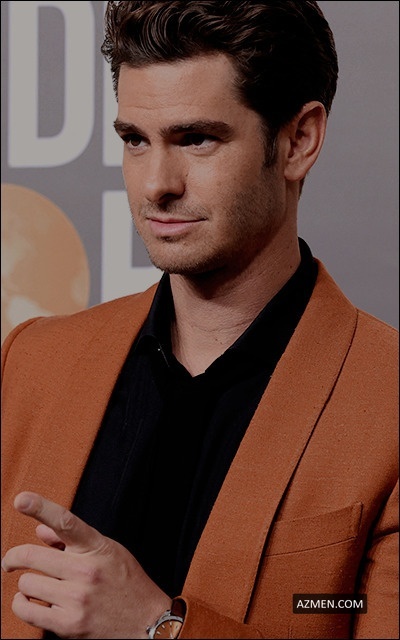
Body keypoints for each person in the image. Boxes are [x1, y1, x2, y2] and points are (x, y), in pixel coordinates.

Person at [1, 1, 398, 638]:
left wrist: (158, 627)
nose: (155, 184)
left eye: (196, 139)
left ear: (299, 140)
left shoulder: (387, 402)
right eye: (135, 140)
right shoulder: (32, 362)